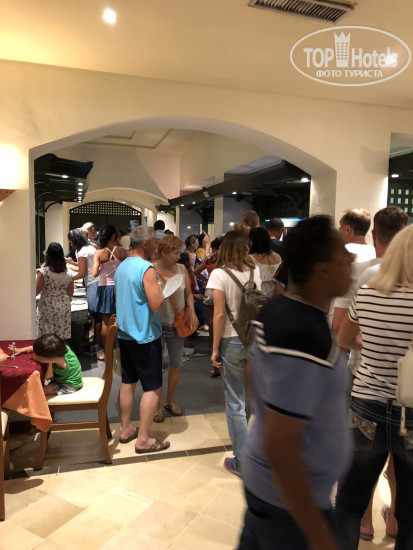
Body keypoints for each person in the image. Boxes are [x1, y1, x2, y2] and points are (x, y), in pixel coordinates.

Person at [238, 215, 353, 550]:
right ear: (323, 269)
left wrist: (270, 415)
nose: (350, 260)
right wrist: (319, 536)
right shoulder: (305, 336)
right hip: (288, 503)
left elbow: (252, 373)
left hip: (268, 487)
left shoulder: (279, 309)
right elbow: (282, 448)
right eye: (343, 254)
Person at [335, 223, 413, 550]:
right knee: (411, 511)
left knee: (349, 502)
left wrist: (375, 347)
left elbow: (345, 337)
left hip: (367, 400)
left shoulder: (368, 292)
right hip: (411, 410)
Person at [207, 228, 261, 476]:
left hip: (232, 339)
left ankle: (242, 459)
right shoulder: (254, 269)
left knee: (235, 400)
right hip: (254, 338)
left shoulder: (219, 274)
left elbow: (219, 314)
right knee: (250, 398)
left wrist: (214, 348)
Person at [114, 225, 170, 453]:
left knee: (127, 382)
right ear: (146, 244)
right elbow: (156, 304)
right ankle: (144, 439)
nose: (156, 246)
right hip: (145, 335)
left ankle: (126, 429)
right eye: (154, 242)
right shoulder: (147, 268)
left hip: (125, 333)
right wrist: (163, 294)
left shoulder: (122, 266)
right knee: (152, 387)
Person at [152, 235, 198, 422]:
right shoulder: (151, 269)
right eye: (175, 253)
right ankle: (156, 405)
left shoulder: (181, 269)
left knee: (176, 363)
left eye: (179, 252)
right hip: (156, 324)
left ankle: (169, 400)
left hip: (178, 323)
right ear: (163, 252)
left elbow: (188, 292)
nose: (179, 256)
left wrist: (191, 309)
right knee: (155, 367)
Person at [332, 207, 375, 335]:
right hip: (368, 329)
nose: (339, 230)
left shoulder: (342, 255)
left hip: (343, 329)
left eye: (340, 226)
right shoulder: (375, 254)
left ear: (348, 229)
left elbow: (341, 303)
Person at [92, 224, 127, 361]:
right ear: (113, 235)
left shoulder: (99, 253)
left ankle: (107, 354)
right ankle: (119, 352)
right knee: (119, 321)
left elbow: (94, 273)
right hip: (119, 288)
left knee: (106, 323)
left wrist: (102, 269)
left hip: (104, 288)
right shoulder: (122, 252)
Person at [67, 228, 102, 353]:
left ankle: (97, 345)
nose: (70, 243)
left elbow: (82, 273)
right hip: (98, 281)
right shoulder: (90, 248)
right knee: (98, 315)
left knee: (95, 315)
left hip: (92, 283)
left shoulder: (82, 251)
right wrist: (72, 263)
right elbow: (86, 266)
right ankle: (97, 343)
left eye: (71, 241)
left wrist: (68, 279)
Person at [14, 334, 83, 396]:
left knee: (35, 392)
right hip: (61, 378)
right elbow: (38, 348)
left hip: (69, 385)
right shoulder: (62, 347)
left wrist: (36, 355)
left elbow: (37, 358)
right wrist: (22, 350)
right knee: (42, 383)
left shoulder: (59, 359)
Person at [36, 242, 74, 340]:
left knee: (46, 337)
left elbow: (35, 292)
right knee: (60, 337)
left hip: (47, 307)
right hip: (63, 306)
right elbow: (70, 293)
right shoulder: (69, 272)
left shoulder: (44, 272)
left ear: (47, 256)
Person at [249, 226, 282, 298]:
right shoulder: (278, 257)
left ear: (253, 241)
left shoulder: (249, 259)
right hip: (273, 297)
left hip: (255, 298)